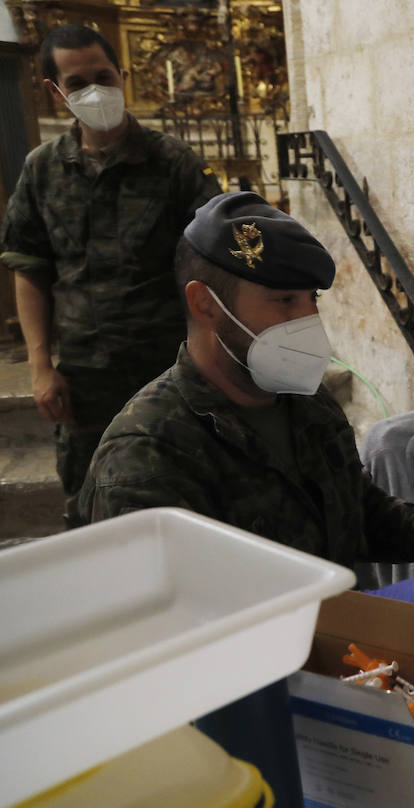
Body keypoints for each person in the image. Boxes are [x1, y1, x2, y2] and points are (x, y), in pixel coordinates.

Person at [75, 190, 414, 808]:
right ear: (204, 303)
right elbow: (155, 664)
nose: (308, 321)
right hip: (237, 761)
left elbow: (354, 508)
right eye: (283, 302)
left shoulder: (303, 405)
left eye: (311, 301)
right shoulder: (147, 455)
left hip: (350, 705)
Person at [0, 24, 222, 523]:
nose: (93, 91)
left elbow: (215, 260)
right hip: (86, 374)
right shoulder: (42, 170)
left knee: (186, 497)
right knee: (92, 504)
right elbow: (28, 268)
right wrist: (40, 366)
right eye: (77, 83)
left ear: (123, 76)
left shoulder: (172, 162)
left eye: (103, 76)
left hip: (170, 368)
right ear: (55, 93)